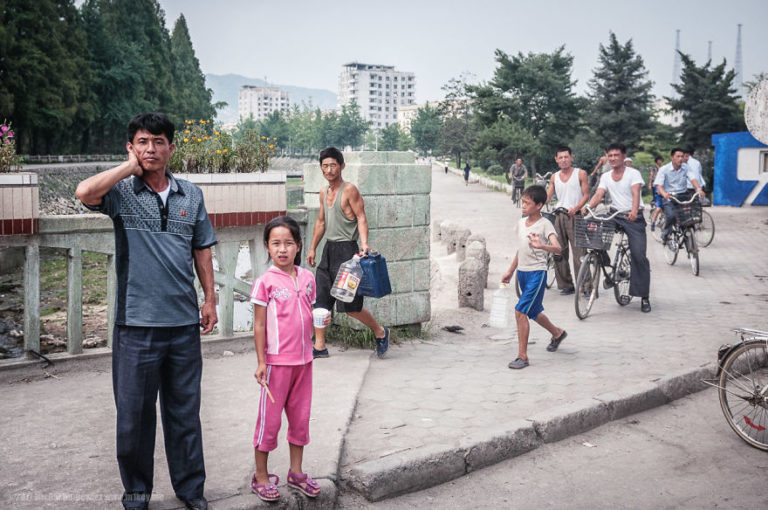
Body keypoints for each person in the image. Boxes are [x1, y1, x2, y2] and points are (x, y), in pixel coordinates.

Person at [75, 113, 216, 510]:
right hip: (136, 325)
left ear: (171, 147)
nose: (150, 149)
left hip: (183, 325)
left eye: (158, 141)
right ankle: (137, 492)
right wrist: (128, 168)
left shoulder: (191, 195)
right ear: (131, 147)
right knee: (134, 419)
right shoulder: (121, 194)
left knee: (184, 414)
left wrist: (209, 299)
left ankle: (191, 490)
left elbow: (202, 249)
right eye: (142, 142)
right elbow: (84, 191)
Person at [249, 216, 327, 503]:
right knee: (269, 423)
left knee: (300, 420)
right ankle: (260, 476)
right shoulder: (265, 283)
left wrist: (321, 333)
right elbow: (259, 325)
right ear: (267, 247)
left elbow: (311, 313)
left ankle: (296, 472)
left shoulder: (307, 279)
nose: (282, 249)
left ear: (299, 246)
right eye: (276, 243)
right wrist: (261, 362)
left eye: (289, 243)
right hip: (276, 365)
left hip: (304, 363)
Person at [307, 147, 389, 358]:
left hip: (347, 252)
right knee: (321, 302)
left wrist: (364, 244)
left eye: (333, 165)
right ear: (321, 168)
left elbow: (361, 217)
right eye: (325, 166)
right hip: (328, 250)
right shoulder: (324, 192)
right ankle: (320, 347)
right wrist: (313, 248)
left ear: (342, 166)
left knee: (350, 307)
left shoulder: (349, 190)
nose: (329, 170)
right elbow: (321, 222)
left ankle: (380, 332)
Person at [501, 185, 567, 369]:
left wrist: (542, 246)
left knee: (520, 311)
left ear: (539, 205)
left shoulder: (545, 224)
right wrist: (510, 271)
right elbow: (520, 249)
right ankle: (557, 333)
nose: (523, 206)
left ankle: (522, 357)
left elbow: (558, 248)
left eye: (527, 203)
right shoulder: (521, 223)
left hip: (537, 273)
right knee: (533, 312)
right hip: (522, 273)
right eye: (522, 202)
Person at [586, 143, 652, 313]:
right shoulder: (606, 176)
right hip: (615, 215)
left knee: (639, 256)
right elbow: (599, 194)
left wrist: (634, 211)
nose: (613, 158)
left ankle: (644, 296)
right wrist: (588, 207)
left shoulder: (633, 173)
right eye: (610, 155)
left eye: (616, 155)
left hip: (633, 217)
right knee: (591, 225)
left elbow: (636, 193)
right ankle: (604, 261)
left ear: (623, 156)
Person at [545, 146, 590, 295]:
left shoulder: (580, 173)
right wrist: (537, 202)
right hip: (558, 216)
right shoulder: (554, 177)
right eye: (561, 157)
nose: (564, 160)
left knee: (580, 253)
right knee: (559, 252)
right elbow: (548, 196)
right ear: (556, 160)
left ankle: (585, 286)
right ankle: (566, 285)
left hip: (575, 216)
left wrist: (576, 207)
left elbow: (586, 195)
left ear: (571, 158)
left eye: (566, 157)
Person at [654, 147, 706, 244]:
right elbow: (659, 186)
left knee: (691, 217)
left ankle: (689, 237)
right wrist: (664, 194)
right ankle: (665, 234)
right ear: (672, 157)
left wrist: (698, 189)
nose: (680, 159)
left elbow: (693, 179)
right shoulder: (664, 169)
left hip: (683, 195)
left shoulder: (686, 167)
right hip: (669, 197)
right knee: (671, 216)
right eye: (678, 156)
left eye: (682, 156)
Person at [649, 156, 664, 231]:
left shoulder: (663, 168)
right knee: (658, 208)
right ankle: (653, 223)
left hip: (663, 189)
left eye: (660, 160)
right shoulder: (654, 168)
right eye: (658, 160)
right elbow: (651, 176)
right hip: (655, 186)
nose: (659, 161)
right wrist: (650, 184)